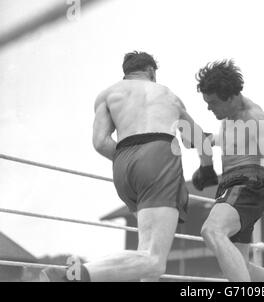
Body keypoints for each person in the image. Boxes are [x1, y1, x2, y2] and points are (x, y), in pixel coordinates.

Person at [40, 51, 213, 282]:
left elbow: (100, 142)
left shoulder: (108, 94)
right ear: (152, 71)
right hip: (159, 157)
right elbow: (198, 140)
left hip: (123, 164)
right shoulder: (167, 95)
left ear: (127, 72)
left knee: (144, 252)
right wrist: (206, 169)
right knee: (153, 261)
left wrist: (130, 159)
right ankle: (75, 275)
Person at [192, 60, 264, 281]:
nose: (209, 108)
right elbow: (232, 140)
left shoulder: (255, 118)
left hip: (245, 185)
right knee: (241, 267)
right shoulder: (228, 116)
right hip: (230, 186)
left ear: (231, 96)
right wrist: (206, 141)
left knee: (212, 231)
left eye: (213, 102)